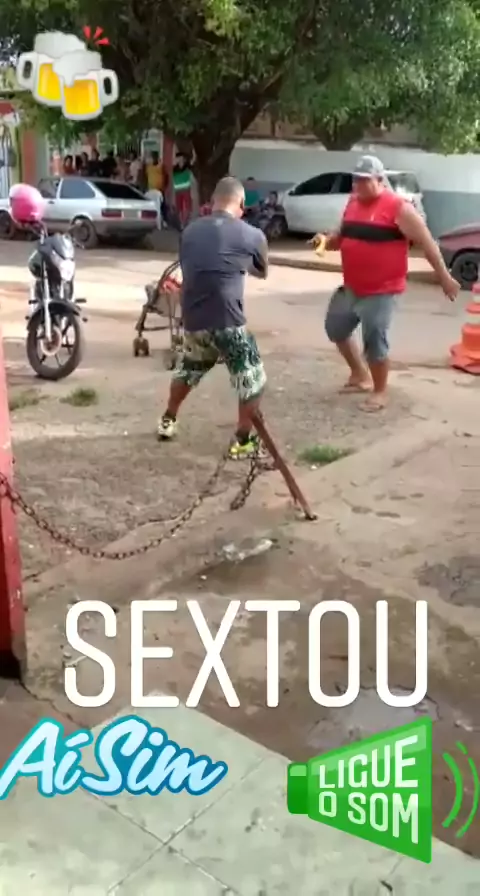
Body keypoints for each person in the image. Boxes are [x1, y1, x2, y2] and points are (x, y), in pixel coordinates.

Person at [314, 155, 460, 412]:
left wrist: (445, 278)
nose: (358, 185)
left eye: (364, 180)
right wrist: (325, 241)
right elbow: (342, 237)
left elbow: (427, 243)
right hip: (352, 286)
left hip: (382, 290)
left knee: (374, 342)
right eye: (356, 180)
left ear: (380, 180)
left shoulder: (398, 208)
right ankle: (360, 375)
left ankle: (380, 391)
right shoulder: (352, 202)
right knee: (335, 328)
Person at [157, 176, 269, 458]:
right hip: (229, 320)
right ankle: (242, 440)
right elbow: (261, 271)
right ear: (241, 204)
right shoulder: (252, 234)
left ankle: (168, 419)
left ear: (212, 203)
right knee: (251, 377)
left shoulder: (190, 231)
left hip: (194, 320)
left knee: (190, 368)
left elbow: (191, 265)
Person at [172, 154, 192, 227]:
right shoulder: (175, 168)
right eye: (178, 158)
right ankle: (182, 223)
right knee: (179, 207)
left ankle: (185, 221)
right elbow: (174, 178)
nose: (179, 159)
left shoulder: (187, 167)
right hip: (178, 190)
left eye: (181, 158)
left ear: (184, 159)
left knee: (187, 207)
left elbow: (192, 162)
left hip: (186, 189)